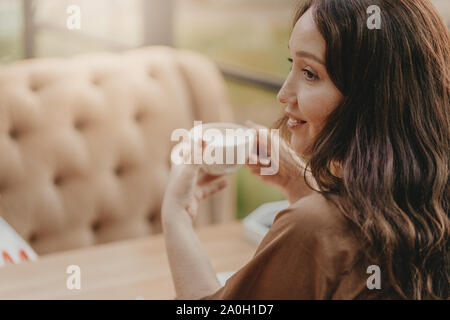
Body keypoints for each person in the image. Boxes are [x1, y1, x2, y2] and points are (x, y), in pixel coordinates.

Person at [161, 0, 449, 300]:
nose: (283, 93)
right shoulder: (426, 205)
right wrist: (299, 182)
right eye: (292, 65)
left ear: (371, 100)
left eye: (310, 73)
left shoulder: (313, 228)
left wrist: (176, 216)